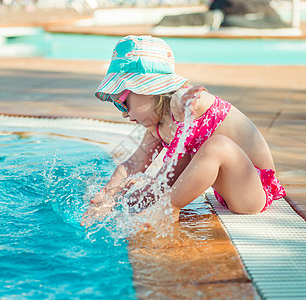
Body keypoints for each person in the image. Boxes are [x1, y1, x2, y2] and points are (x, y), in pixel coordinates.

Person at [82, 35, 285, 225]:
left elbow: (180, 97)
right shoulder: (156, 127)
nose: (123, 113)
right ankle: (144, 207)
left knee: (217, 145)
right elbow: (133, 164)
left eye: (122, 102)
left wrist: (184, 101)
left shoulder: (184, 104)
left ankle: (169, 209)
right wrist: (109, 195)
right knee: (139, 196)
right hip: (227, 190)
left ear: (151, 90)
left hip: (253, 189)